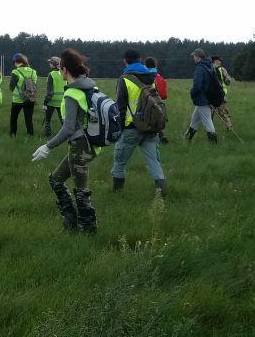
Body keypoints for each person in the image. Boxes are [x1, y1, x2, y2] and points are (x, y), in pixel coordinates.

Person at [31, 48, 99, 233]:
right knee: (55, 180)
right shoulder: (90, 87)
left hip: (80, 147)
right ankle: (71, 222)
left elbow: (68, 128)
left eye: (60, 68)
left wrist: (47, 146)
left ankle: (87, 230)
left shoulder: (72, 94)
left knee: (81, 191)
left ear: (64, 70)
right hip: (90, 145)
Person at [111, 50, 167, 194]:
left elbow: (120, 107)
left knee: (119, 161)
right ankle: (162, 192)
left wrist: (119, 128)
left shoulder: (124, 79)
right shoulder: (151, 77)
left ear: (125, 61)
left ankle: (117, 193)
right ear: (140, 60)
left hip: (131, 127)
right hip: (150, 126)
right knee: (154, 161)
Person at [186, 47, 219, 144]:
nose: (193, 58)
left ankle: (213, 144)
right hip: (208, 97)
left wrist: (192, 92)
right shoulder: (209, 66)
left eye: (194, 56)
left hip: (202, 99)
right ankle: (188, 139)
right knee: (195, 119)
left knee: (207, 121)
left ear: (197, 57)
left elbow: (197, 85)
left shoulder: (200, 68)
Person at [7, 53, 38, 137]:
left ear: (17, 62)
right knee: (28, 119)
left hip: (18, 100)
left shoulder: (16, 71)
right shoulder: (33, 72)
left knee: (13, 119)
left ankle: (13, 135)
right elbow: (34, 84)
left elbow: (11, 87)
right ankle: (30, 135)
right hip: (30, 99)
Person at [146, 57, 169, 143]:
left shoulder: (145, 76)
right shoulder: (159, 76)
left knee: (150, 121)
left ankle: (158, 137)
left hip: (150, 102)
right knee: (157, 121)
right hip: (160, 102)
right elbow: (164, 94)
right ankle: (161, 135)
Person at [211, 55, 235, 133]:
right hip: (221, 94)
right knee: (223, 112)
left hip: (211, 94)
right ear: (215, 61)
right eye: (219, 60)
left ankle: (209, 129)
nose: (221, 62)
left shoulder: (208, 68)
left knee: (209, 112)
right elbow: (228, 81)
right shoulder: (222, 69)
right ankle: (229, 127)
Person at [42, 56, 65, 135]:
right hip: (62, 102)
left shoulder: (51, 74)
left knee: (47, 120)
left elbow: (49, 92)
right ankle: (67, 135)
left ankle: (47, 134)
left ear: (53, 64)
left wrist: (45, 102)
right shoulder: (64, 73)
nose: (49, 64)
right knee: (63, 120)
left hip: (51, 102)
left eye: (50, 63)